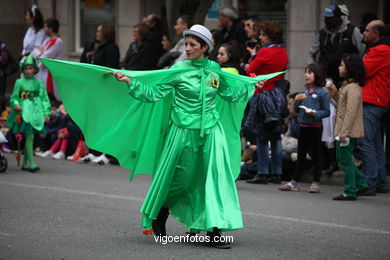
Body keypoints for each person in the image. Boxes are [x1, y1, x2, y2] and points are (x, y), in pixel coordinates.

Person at [40, 24, 281, 249]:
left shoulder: (214, 70)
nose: (187, 48)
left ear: (205, 47)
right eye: (186, 44)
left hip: (211, 131)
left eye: (192, 45)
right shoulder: (177, 70)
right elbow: (153, 93)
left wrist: (250, 86)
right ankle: (161, 213)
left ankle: (214, 229)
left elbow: (230, 93)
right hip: (182, 132)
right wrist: (130, 82)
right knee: (183, 180)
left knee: (214, 179)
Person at [245, 20, 289, 185]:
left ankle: (263, 172)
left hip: (262, 94)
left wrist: (254, 55)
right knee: (276, 135)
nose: (261, 38)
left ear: (269, 36)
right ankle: (277, 173)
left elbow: (250, 71)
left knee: (261, 135)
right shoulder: (283, 52)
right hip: (278, 95)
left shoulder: (263, 53)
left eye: (263, 35)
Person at [279, 64, 330, 193]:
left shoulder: (322, 92)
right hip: (303, 126)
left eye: (310, 72)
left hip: (315, 127)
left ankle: (316, 182)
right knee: (301, 155)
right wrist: (296, 101)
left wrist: (315, 113)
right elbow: (296, 111)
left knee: (316, 154)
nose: (306, 75)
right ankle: (294, 182)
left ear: (317, 75)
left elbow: (327, 112)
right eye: (306, 72)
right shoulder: (303, 92)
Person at [327, 54, 368, 200]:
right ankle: (362, 184)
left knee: (344, 159)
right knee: (342, 158)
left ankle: (349, 191)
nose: (339, 67)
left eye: (342, 65)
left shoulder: (353, 88)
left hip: (347, 132)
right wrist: (334, 92)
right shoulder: (347, 86)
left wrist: (344, 133)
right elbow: (342, 104)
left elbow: (350, 112)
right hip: (343, 130)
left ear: (350, 68)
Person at [357, 20, 390, 195]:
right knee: (375, 143)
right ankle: (381, 182)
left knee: (365, 142)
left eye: (367, 30)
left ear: (375, 34)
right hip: (377, 100)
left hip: (372, 101)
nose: (363, 33)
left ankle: (369, 182)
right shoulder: (381, 49)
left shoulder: (380, 51)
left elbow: (362, 71)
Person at [6, 56, 50, 172]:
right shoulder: (19, 82)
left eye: (31, 68)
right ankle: (32, 163)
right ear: (23, 69)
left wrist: (46, 112)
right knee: (30, 136)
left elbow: (44, 98)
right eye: (26, 68)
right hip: (24, 113)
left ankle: (25, 163)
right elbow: (14, 98)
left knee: (31, 137)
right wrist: (16, 104)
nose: (28, 71)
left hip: (36, 113)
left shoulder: (38, 83)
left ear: (34, 70)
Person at [307, 4, 365, 87]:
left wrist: (355, 72)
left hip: (345, 79)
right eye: (325, 18)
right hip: (325, 78)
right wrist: (312, 69)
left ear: (338, 18)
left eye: (329, 18)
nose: (326, 21)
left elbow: (363, 51)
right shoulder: (322, 33)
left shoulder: (352, 31)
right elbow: (311, 52)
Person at [35, 18, 64, 101]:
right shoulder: (47, 40)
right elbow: (40, 51)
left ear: (51, 28)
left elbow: (44, 57)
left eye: (45, 26)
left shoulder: (57, 41)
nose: (44, 29)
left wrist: (39, 53)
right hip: (45, 73)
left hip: (51, 75)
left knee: (51, 99)